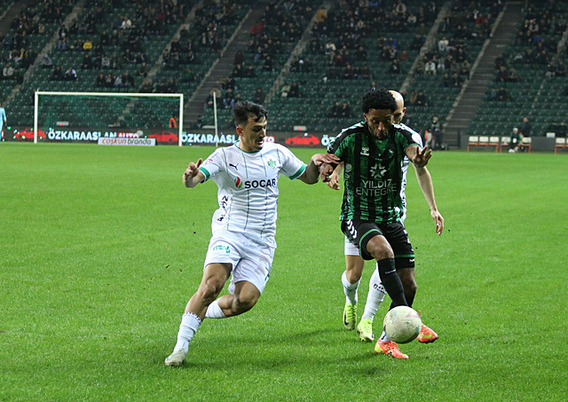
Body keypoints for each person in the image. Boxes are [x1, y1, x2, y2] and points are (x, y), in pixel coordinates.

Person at [164, 101, 337, 366]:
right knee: (211, 285)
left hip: (262, 241)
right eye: (256, 129)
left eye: (265, 127)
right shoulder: (224, 156)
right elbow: (196, 178)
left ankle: (202, 311)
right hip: (230, 232)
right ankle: (180, 347)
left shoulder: (277, 153)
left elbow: (308, 176)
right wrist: (190, 177)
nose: (262, 133)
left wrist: (314, 162)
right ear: (240, 130)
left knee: (244, 301)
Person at [323, 89, 443, 360]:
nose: (381, 127)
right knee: (381, 253)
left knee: (409, 285)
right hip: (358, 215)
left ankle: (386, 340)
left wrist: (417, 161)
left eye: (387, 121)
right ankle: (409, 317)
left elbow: (413, 153)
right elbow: (332, 160)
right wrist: (329, 172)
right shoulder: (350, 136)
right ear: (365, 116)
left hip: (391, 216)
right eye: (375, 121)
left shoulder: (403, 136)